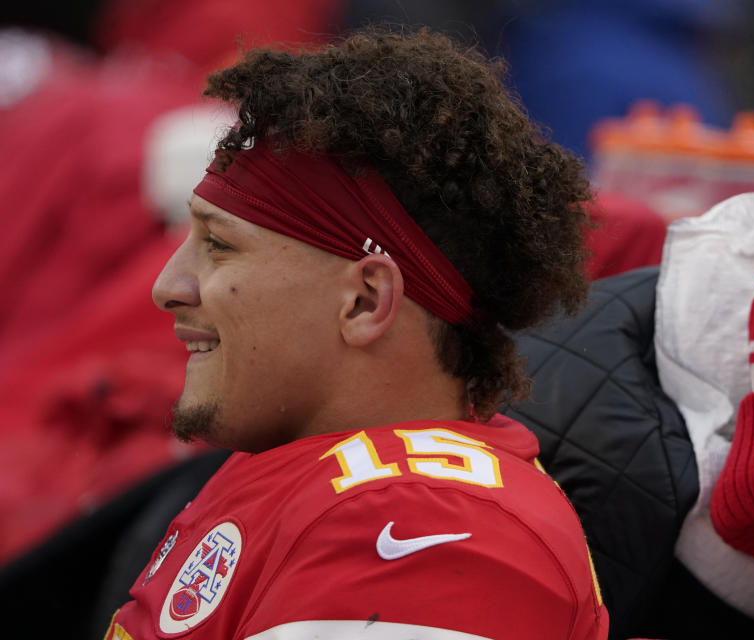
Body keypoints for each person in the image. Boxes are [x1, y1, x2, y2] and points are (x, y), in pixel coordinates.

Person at [104, 27, 609, 640]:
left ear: (366, 300)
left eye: (219, 245)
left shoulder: (427, 524)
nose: (168, 285)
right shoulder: (303, 462)